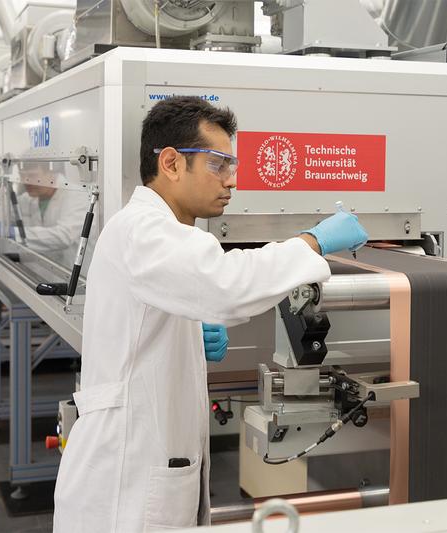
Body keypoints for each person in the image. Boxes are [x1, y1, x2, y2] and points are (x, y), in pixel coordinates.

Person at [52, 97, 368, 532]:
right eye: (218, 164)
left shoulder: (163, 234)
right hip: (124, 488)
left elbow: (181, 297)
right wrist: (313, 242)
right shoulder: (144, 230)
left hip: (142, 465)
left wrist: (184, 336)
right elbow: (222, 285)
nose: (232, 181)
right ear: (171, 163)